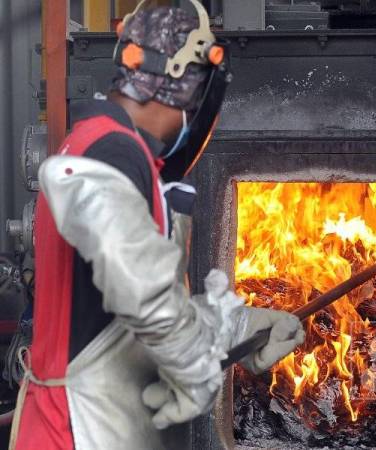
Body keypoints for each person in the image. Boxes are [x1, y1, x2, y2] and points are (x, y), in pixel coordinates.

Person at [9, 2, 305, 449]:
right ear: (185, 85)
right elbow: (147, 303)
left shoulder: (91, 142)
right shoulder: (115, 155)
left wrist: (242, 326)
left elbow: (122, 316)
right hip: (81, 432)